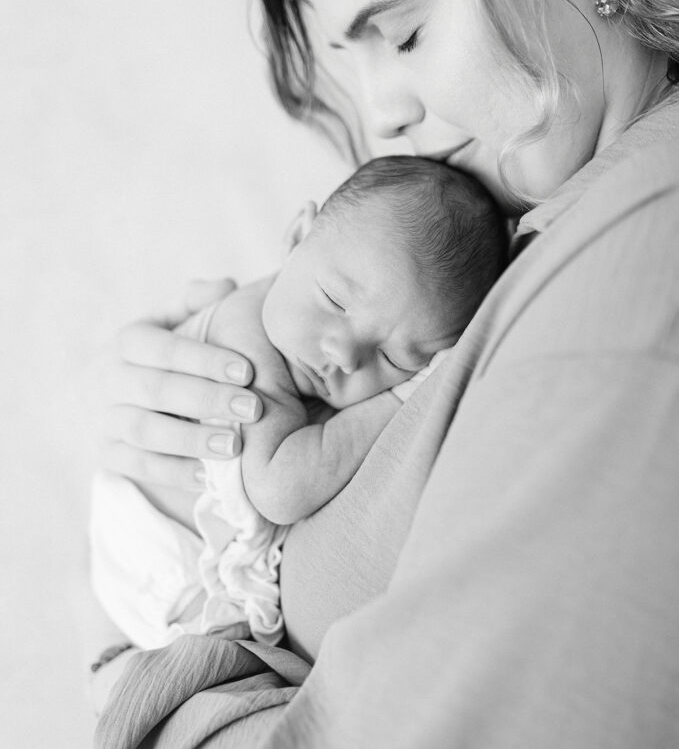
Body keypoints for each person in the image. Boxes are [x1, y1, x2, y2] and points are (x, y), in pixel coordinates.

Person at [91, 0, 679, 749]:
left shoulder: (635, 279)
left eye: (401, 35)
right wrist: (205, 409)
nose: (381, 114)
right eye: (344, 67)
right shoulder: (529, 241)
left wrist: (151, 693)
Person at [89, 155, 506, 651]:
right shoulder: (244, 339)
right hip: (154, 566)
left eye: (394, 358)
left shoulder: (305, 340)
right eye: (335, 300)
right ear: (294, 238)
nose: (344, 356)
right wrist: (401, 395)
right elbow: (280, 487)